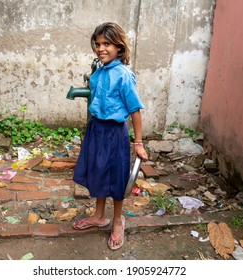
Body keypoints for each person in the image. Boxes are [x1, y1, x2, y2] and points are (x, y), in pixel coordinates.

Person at [72, 22, 148, 251]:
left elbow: (135, 110)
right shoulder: (99, 73)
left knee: (115, 179)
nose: (100, 48)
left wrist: (138, 143)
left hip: (115, 133)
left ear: (119, 46)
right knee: (97, 172)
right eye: (97, 44)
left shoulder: (124, 75)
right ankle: (98, 216)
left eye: (106, 44)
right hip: (96, 129)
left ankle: (117, 221)